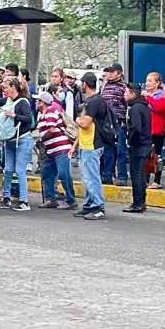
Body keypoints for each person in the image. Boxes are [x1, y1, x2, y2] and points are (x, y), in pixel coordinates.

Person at [34, 90, 77, 210]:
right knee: (47, 173)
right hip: (51, 150)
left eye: (37, 101)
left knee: (63, 174)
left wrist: (41, 139)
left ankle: (71, 200)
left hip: (60, 148)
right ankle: (51, 198)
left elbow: (51, 130)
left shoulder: (50, 111)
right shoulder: (43, 114)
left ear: (42, 102)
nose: (35, 103)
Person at [73, 72, 107, 220]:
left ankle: (98, 206)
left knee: (92, 178)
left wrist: (77, 120)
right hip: (86, 144)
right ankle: (89, 204)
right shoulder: (92, 100)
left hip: (92, 144)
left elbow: (85, 124)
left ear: (85, 84)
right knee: (87, 178)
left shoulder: (94, 102)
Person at [0, 77, 34, 211]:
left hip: (23, 140)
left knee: (20, 170)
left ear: (13, 87)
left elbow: (28, 119)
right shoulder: (8, 101)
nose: (4, 90)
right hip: (10, 140)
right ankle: (6, 197)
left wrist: (14, 115)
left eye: (6, 87)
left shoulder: (23, 102)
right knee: (8, 170)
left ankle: (24, 201)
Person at [124, 82, 153, 212]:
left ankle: (138, 202)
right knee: (140, 173)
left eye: (126, 92)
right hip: (145, 143)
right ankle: (141, 201)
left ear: (133, 94)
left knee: (136, 174)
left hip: (138, 145)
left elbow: (136, 128)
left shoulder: (135, 108)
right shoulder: (144, 107)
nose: (124, 94)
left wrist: (130, 140)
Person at [100, 63, 128, 186]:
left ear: (119, 73)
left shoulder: (124, 87)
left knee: (120, 150)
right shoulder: (105, 85)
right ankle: (107, 175)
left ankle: (122, 176)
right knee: (107, 150)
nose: (109, 74)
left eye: (112, 72)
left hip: (119, 123)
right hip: (106, 123)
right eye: (108, 72)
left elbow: (127, 104)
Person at [143, 72, 165, 189]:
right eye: (147, 80)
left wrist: (148, 98)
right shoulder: (144, 94)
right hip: (146, 129)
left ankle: (157, 180)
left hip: (158, 129)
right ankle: (145, 179)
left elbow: (159, 108)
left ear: (157, 83)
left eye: (150, 81)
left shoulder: (161, 95)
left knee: (157, 156)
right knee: (146, 155)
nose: (147, 83)